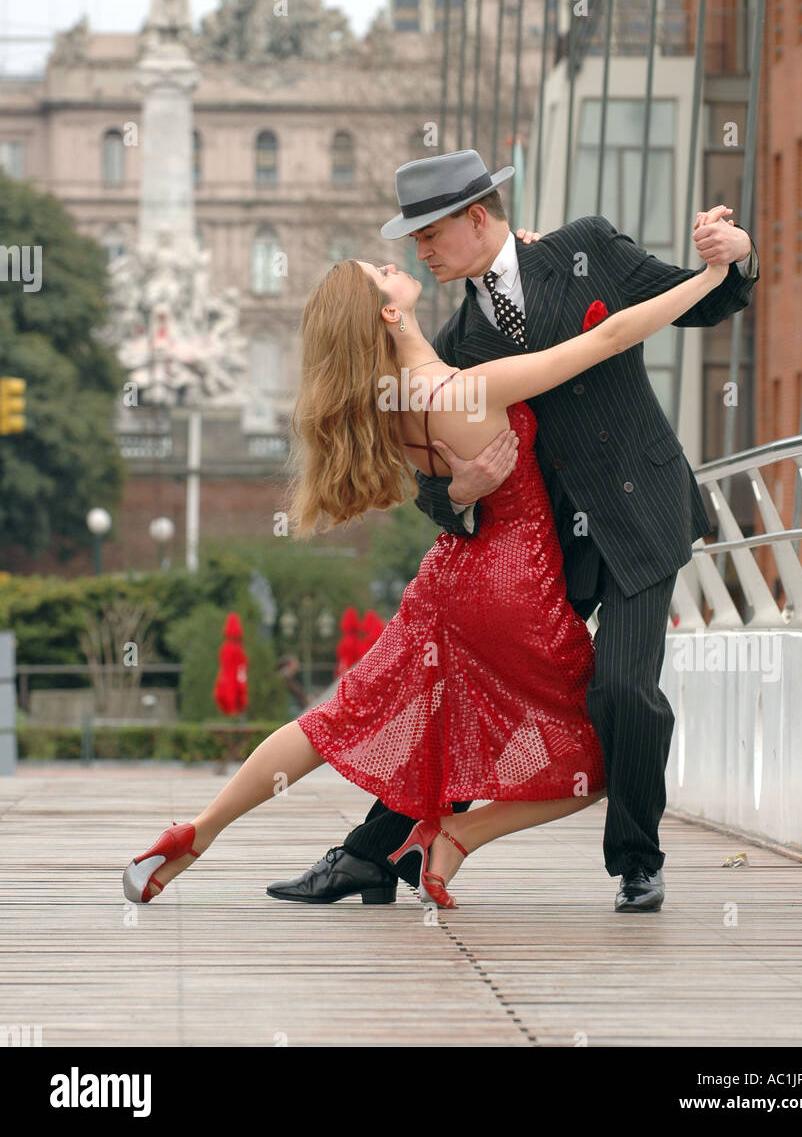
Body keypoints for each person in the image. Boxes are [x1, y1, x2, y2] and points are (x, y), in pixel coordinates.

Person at [122, 199, 731, 908]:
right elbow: (609, 337)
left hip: (447, 581)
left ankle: (198, 830)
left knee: (335, 718)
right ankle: (456, 839)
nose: (403, 260)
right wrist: (709, 276)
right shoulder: (463, 382)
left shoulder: (391, 402)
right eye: (384, 270)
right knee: (602, 759)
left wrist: (525, 256)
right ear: (387, 315)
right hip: (516, 584)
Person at [268, 148, 759, 913]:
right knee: (456, 680)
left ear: (476, 217)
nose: (421, 253)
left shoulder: (584, 248)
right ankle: (373, 854)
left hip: (639, 510)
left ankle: (636, 860)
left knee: (624, 689)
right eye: (413, 243)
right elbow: (436, 479)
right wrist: (457, 492)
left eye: (430, 235)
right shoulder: (458, 343)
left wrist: (738, 257)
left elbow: (697, 302)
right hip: (545, 543)